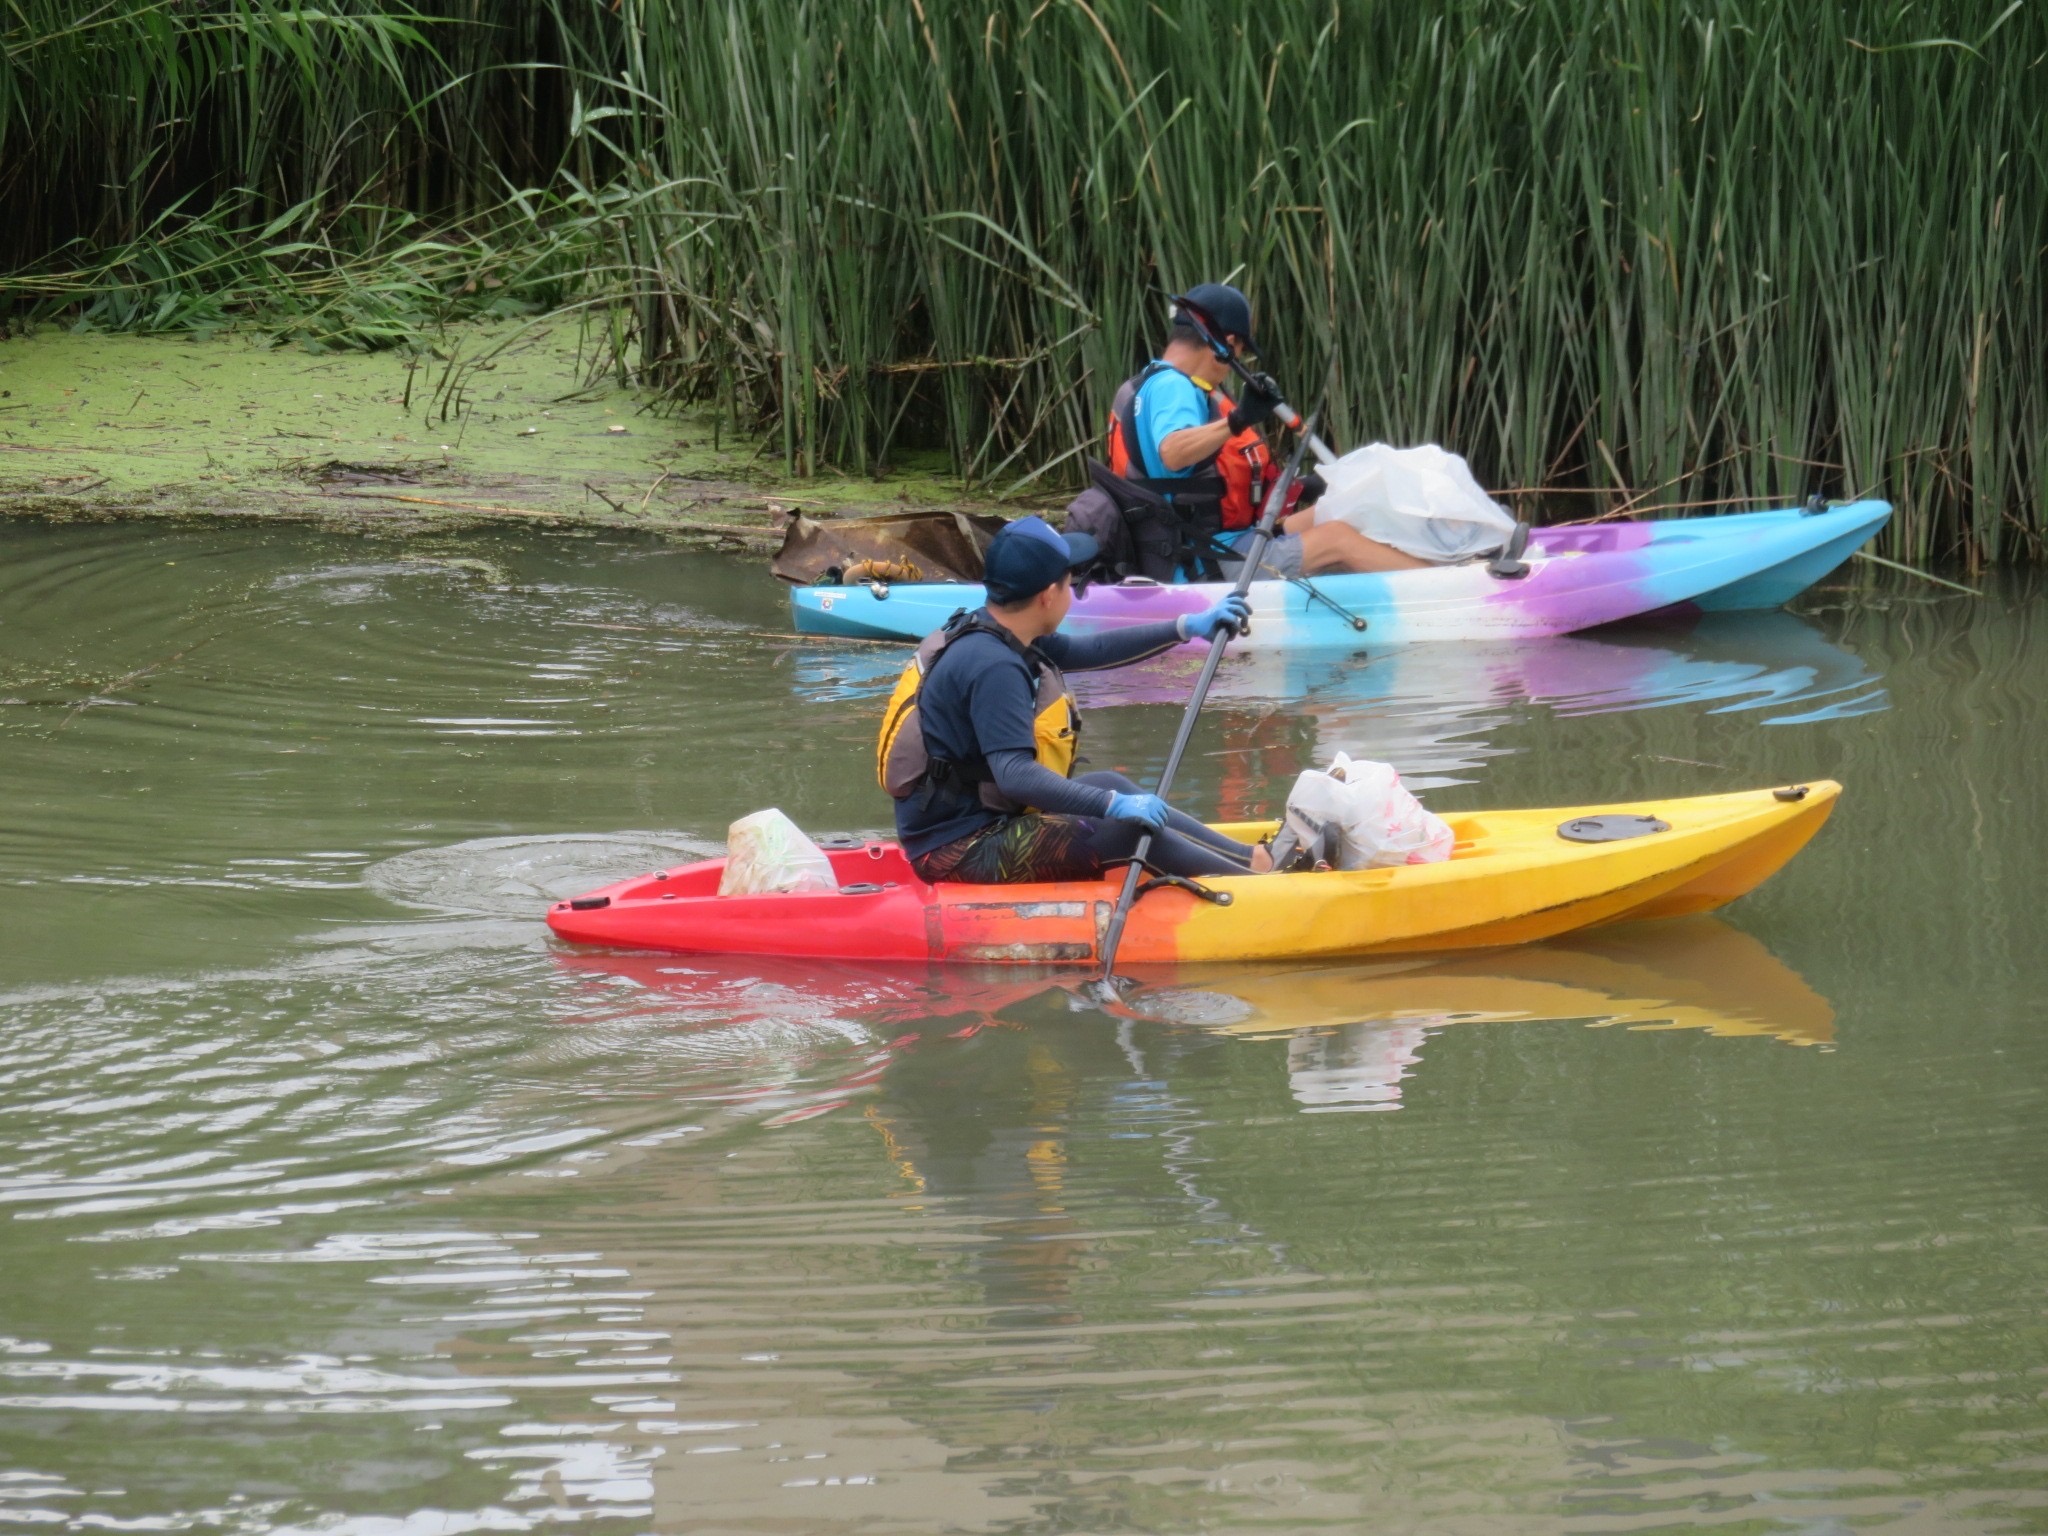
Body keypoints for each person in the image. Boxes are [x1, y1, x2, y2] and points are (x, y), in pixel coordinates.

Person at [879, 515, 1276, 885]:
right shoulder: (994, 667)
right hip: (957, 849)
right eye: (1070, 583)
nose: (1073, 592)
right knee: (1125, 828)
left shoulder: (1001, 629)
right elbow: (1015, 775)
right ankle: (1256, 889)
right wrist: (1111, 807)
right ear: (1049, 595)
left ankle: (1249, 859)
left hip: (973, 825)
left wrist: (1187, 626)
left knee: (1110, 784)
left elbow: (1091, 649)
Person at [1107, 282, 1427, 580]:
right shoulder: (1173, 386)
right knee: (1337, 539)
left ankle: (1434, 573)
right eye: (1241, 351)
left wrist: (1305, 487)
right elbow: (1173, 453)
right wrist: (1238, 419)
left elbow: (1193, 483)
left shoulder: (1148, 383)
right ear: (1228, 345)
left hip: (1218, 544)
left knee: (1335, 513)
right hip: (1204, 561)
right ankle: (1445, 587)